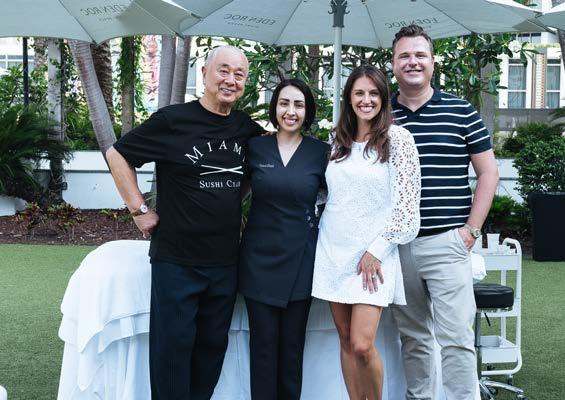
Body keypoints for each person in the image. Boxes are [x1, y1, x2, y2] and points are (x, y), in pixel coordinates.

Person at [105, 46, 265, 400]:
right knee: (172, 351)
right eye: (223, 70)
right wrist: (138, 210)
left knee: (212, 349)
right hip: (176, 261)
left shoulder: (246, 128)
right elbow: (117, 154)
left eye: (239, 74)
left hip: (225, 262)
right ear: (204, 73)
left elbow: (257, 169)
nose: (231, 80)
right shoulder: (173, 120)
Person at [389, 25, 500, 400]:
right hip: (398, 248)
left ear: (433, 62)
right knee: (413, 338)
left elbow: (489, 173)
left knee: (456, 339)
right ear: (394, 63)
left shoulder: (461, 111)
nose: (413, 62)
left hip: (447, 243)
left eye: (420, 55)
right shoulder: (381, 114)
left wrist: (471, 231)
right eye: (404, 55)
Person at [312, 65, 421, 400]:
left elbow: (407, 211)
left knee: (362, 343)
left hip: (373, 255)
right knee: (345, 339)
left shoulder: (398, 139)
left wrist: (377, 250)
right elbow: (326, 194)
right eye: (359, 93)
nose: (366, 100)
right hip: (333, 249)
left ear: (384, 98)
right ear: (349, 98)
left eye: (373, 93)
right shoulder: (337, 140)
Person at [238, 79, 329, 400]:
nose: (291, 111)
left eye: (299, 105)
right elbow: (233, 196)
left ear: (308, 111)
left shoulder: (322, 153)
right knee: (262, 348)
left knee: (292, 349)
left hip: (301, 259)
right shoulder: (255, 148)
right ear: (275, 107)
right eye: (284, 103)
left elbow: (337, 202)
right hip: (258, 261)